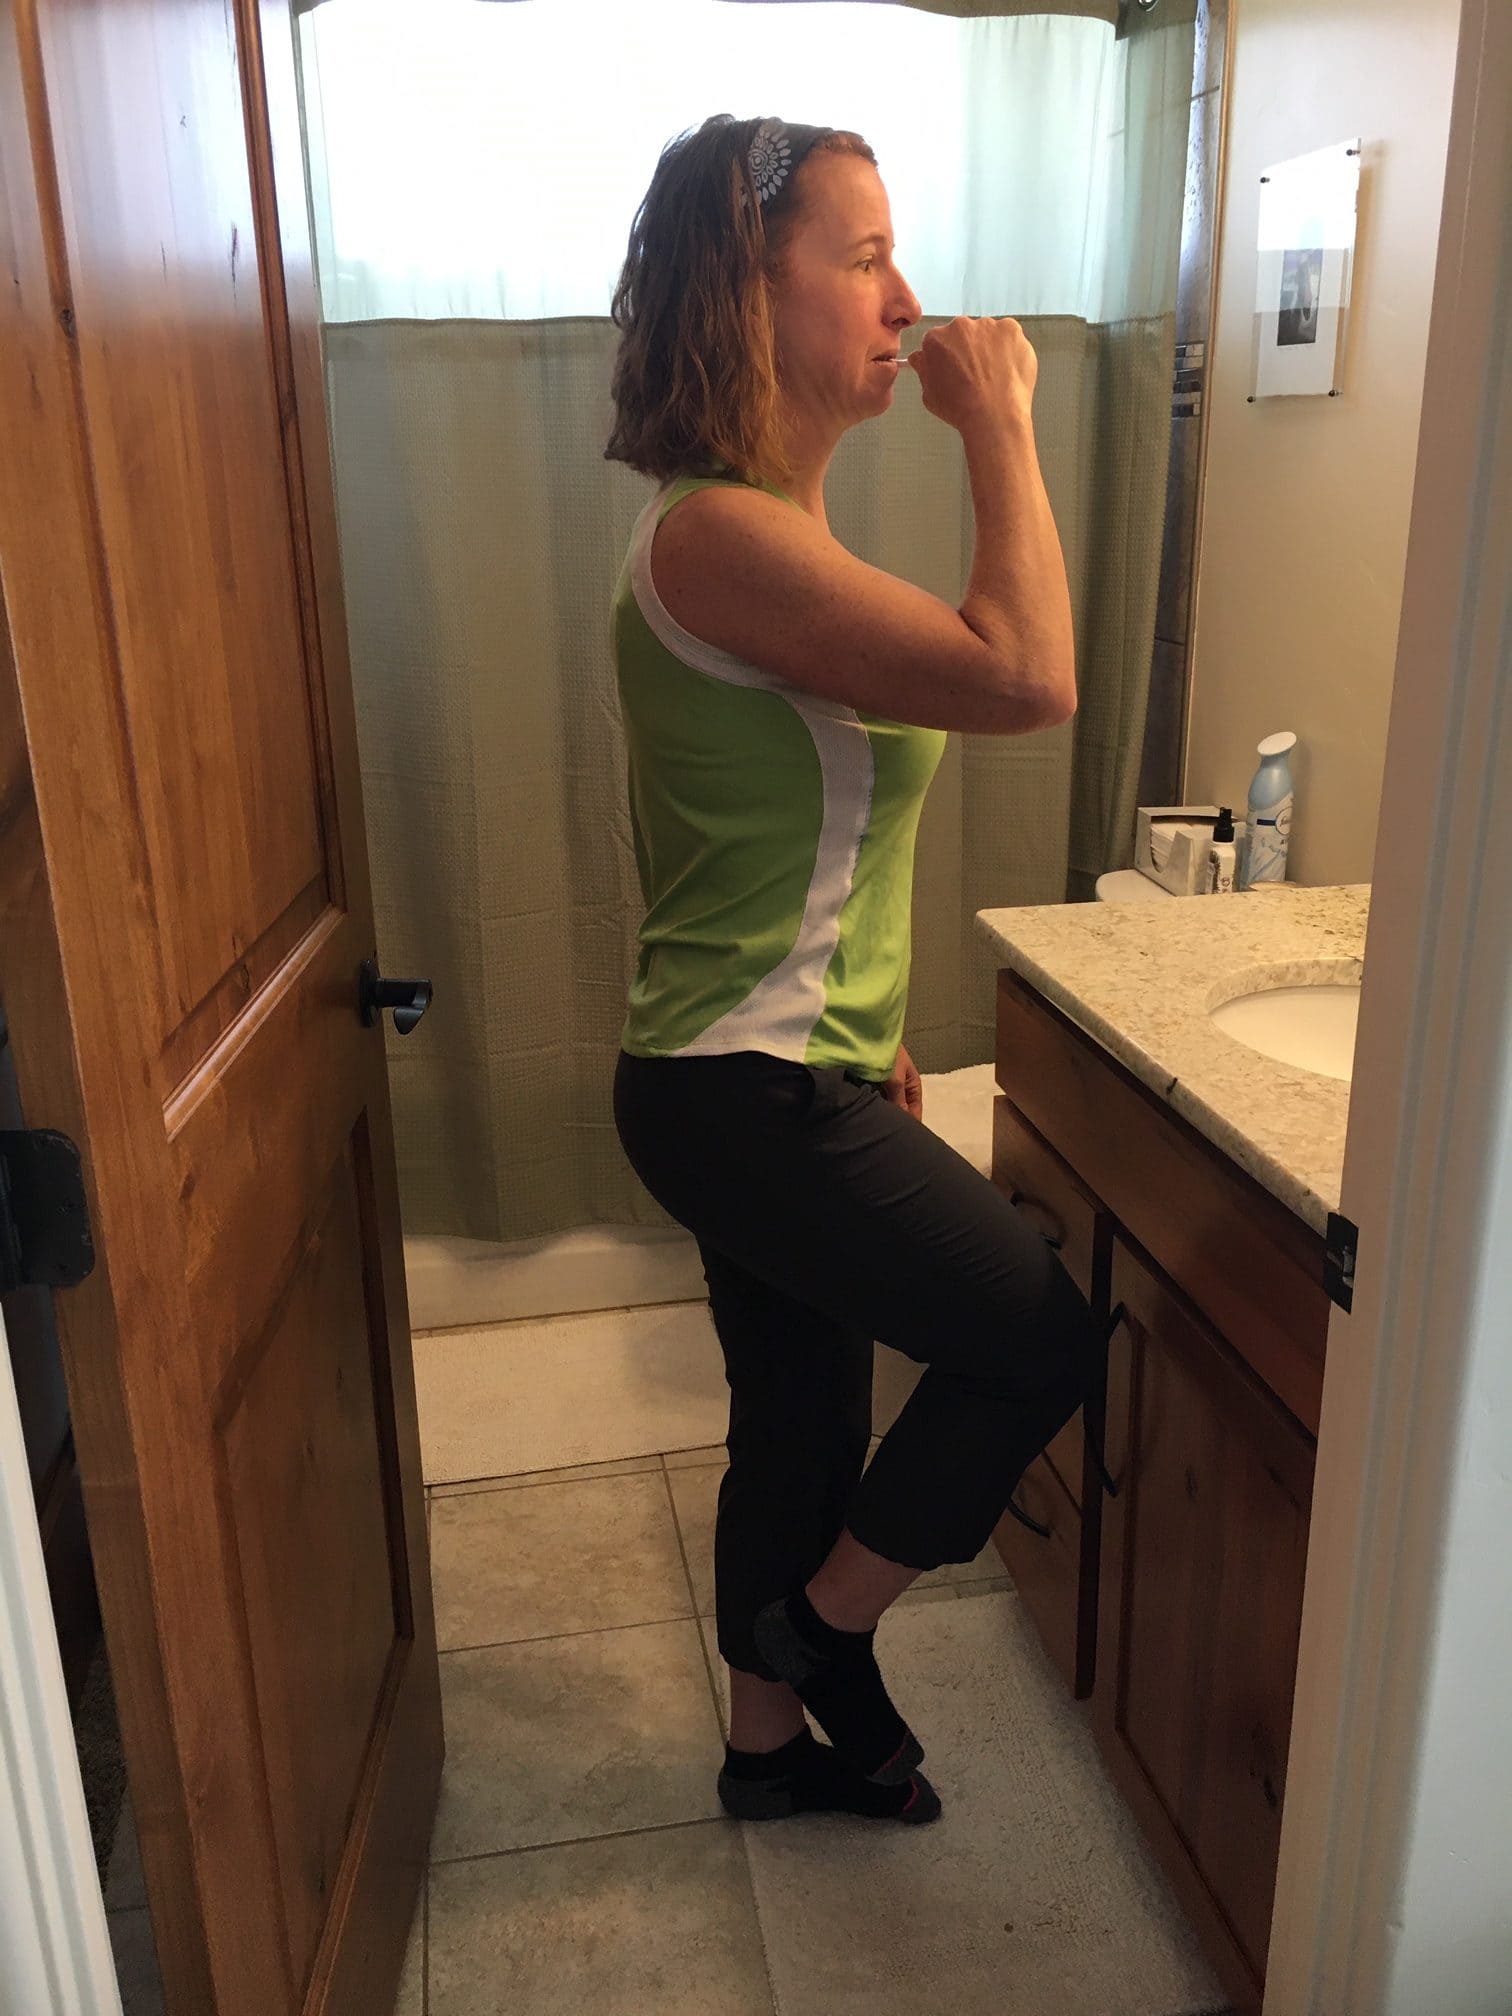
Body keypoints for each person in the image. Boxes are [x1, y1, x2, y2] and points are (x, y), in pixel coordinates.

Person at [604, 114, 1098, 1829]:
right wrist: (1007, 425)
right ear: (751, 290)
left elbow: (819, 836)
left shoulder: (763, 540)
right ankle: (824, 1639)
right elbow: (1028, 676)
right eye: (865, 252)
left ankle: (763, 1748)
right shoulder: (723, 541)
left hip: (760, 1073)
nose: (909, 297)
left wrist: (877, 1037)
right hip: (741, 1090)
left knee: (799, 1425)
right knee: (1038, 1337)